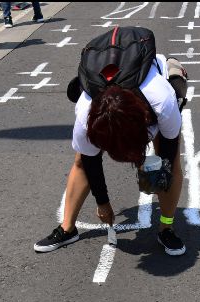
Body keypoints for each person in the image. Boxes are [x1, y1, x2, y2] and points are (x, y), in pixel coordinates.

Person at [34, 28, 188, 256]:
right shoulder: (86, 116)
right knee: (79, 161)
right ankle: (67, 228)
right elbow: (89, 162)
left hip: (151, 82)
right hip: (110, 89)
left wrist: (154, 175)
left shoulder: (162, 102)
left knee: (167, 165)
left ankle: (166, 227)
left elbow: (168, 149)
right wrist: (102, 202)